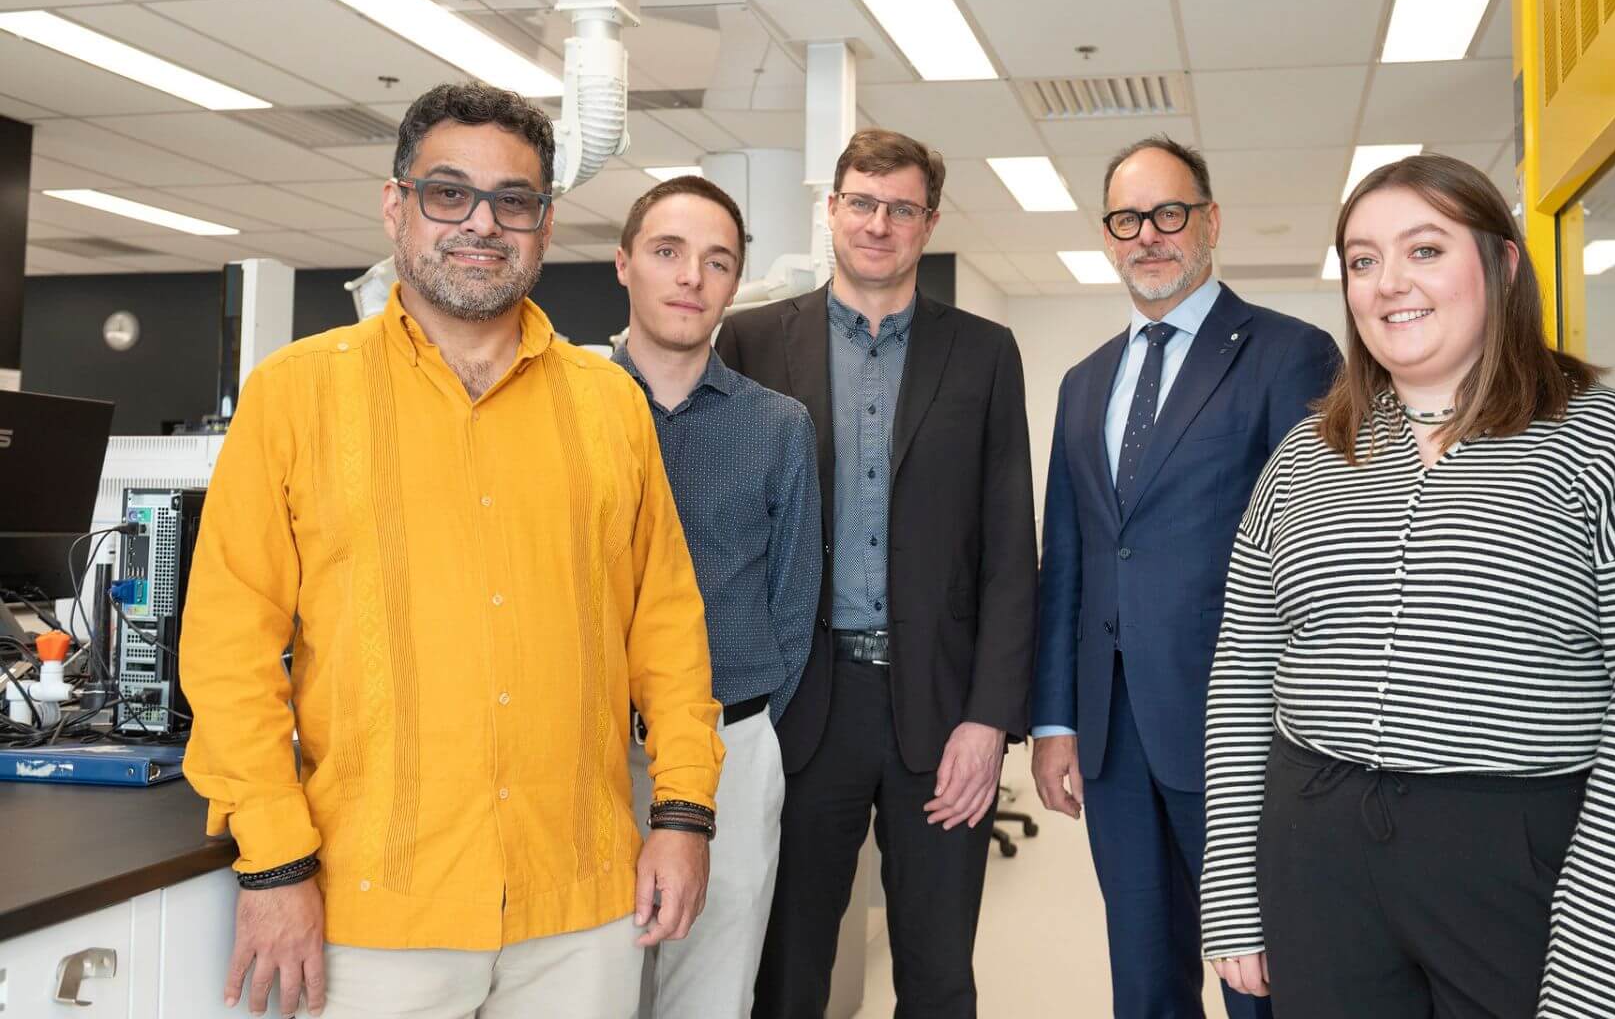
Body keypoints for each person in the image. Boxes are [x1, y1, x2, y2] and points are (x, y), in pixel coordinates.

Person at [182, 82, 723, 1019]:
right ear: (396, 207)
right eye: (448, 193)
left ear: (544, 226)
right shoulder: (296, 397)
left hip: (581, 902)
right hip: (375, 909)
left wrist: (681, 815)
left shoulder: (610, 407)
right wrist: (273, 863)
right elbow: (229, 652)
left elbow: (667, 631)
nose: (481, 222)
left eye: (512, 201)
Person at [1199, 153, 1615, 1018]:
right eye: (1362, 261)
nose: (1389, 283)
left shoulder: (1606, 438)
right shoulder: (1305, 456)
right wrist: (1232, 883)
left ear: (1502, 265)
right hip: (1317, 850)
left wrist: (1606, 952)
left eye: (1426, 250)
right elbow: (1244, 667)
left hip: (1523, 859)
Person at [715, 128, 1038, 1019]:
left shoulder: (983, 353)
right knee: (786, 975)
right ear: (832, 210)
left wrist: (989, 718)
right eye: (862, 202)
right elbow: (728, 543)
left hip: (938, 712)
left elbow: (1012, 550)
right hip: (799, 707)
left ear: (927, 222)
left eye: (901, 208)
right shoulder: (748, 343)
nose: (879, 224)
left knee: (938, 978)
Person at [1027, 135, 1340, 1019]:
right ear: (1106, 235)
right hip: (1114, 735)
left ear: (1209, 221)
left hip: (1243, 732)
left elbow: (1319, 559)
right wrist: (1056, 721)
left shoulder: (1290, 356)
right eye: (1127, 219)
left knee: (1265, 983)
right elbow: (1073, 562)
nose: (1148, 236)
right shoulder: (1086, 384)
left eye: (1169, 213)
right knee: (1144, 978)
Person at [609, 174, 822, 1018]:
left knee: (711, 994)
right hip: (578, 757)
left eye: (717, 261)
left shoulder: (778, 426)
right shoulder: (565, 408)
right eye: (668, 252)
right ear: (624, 265)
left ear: (737, 284)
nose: (691, 276)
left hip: (731, 744)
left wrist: (749, 722)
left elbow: (795, 601)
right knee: (583, 988)